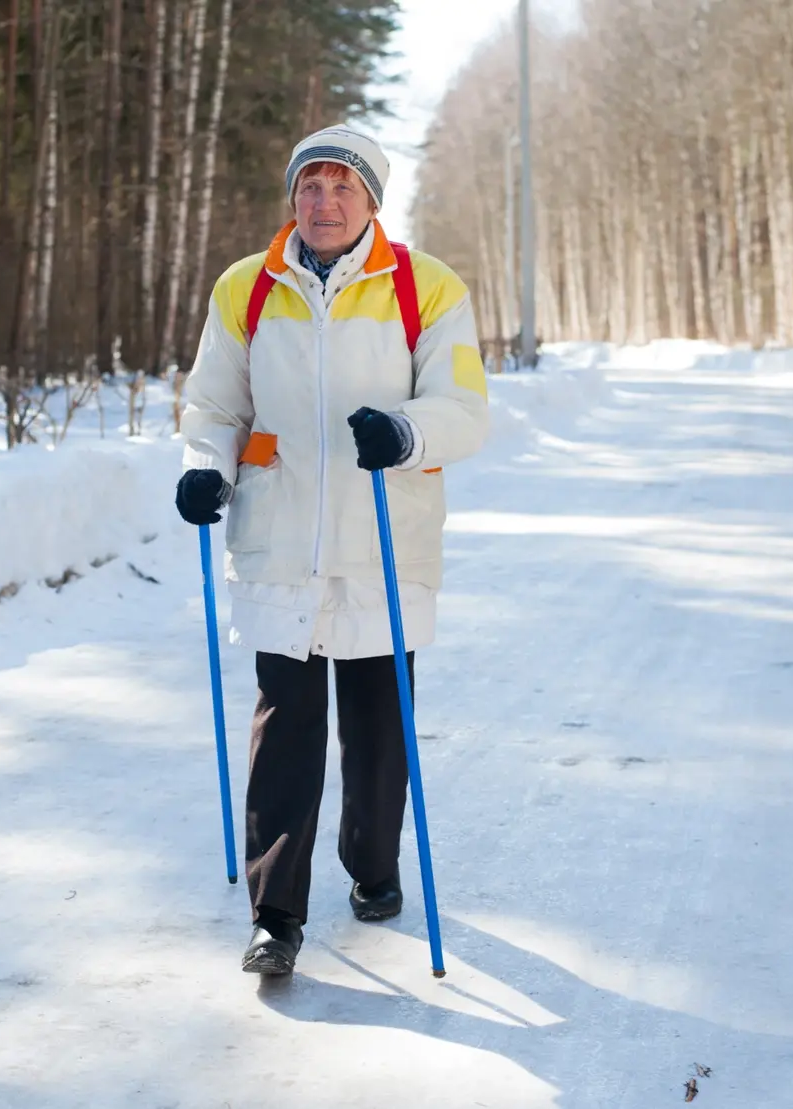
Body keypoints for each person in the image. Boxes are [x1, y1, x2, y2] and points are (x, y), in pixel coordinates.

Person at [175, 125, 489, 975]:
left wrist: (403, 429)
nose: (323, 202)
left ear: (372, 201)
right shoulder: (247, 287)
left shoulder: (426, 286)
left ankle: (374, 864)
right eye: (309, 186)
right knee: (286, 727)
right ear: (293, 197)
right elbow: (213, 409)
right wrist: (206, 470)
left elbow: (464, 407)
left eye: (341, 187)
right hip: (280, 541)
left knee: (379, 728)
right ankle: (275, 914)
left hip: (384, 538)